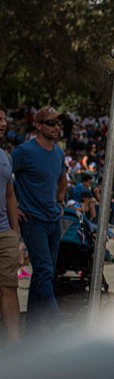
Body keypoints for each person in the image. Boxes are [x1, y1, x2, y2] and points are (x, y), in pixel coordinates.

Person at [11, 106, 67, 331]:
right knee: (44, 271)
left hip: (53, 219)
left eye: (58, 123)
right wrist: (12, 207)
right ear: (38, 126)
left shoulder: (59, 152)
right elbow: (5, 176)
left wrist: (61, 200)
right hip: (32, 221)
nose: (56, 127)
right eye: (51, 123)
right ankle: (55, 321)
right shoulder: (24, 151)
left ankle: (32, 329)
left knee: (45, 274)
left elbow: (63, 177)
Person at [0, 108, 20, 343]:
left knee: (9, 287)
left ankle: (16, 344)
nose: (3, 123)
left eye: (4, 119)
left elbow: (9, 195)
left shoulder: (5, 156)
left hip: (5, 232)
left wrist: (14, 233)